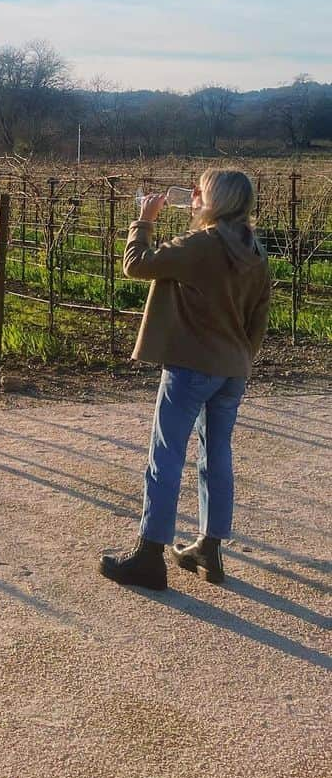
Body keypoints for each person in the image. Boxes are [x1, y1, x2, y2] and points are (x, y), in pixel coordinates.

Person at [99, 168, 271, 590]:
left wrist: (145, 219)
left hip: (191, 367)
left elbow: (137, 265)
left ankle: (149, 556)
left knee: (167, 456)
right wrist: (241, 359)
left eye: (200, 190)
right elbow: (259, 319)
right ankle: (209, 550)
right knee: (217, 457)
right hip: (232, 370)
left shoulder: (200, 245)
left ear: (215, 200)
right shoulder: (255, 251)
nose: (193, 195)